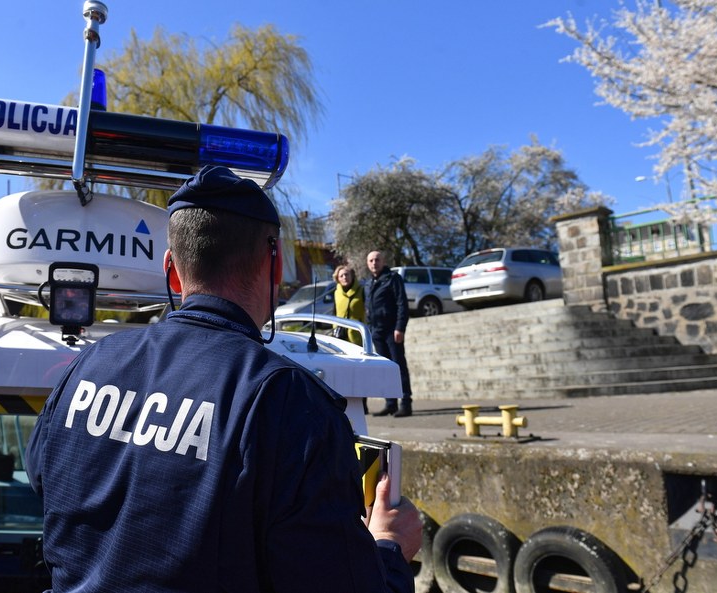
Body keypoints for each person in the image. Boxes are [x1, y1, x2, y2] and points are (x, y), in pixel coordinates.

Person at [25, 166, 422, 593]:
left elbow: (42, 478)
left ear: (172, 271)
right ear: (274, 267)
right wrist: (390, 547)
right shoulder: (290, 404)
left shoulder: (89, 364)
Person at [365, 250, 413, 417]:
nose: (374, 263)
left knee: (398, 366)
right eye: (370, 260)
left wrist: (400, 327)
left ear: (383, 261)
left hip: (392, 331)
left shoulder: (393, 279)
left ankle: (406, 403)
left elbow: (402, 304)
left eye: (377, 259)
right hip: (377, 332)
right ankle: (390, 403)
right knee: (385, 369)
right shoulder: (370, 282)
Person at [332, 264, 365, 346]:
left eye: (346, 274)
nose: (344, 277)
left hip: (357, 333)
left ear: (352, 276)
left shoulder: (361, 290)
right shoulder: (336, 293)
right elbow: (334, 312)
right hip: (340, 333)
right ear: (337, 279)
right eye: (341, 276)